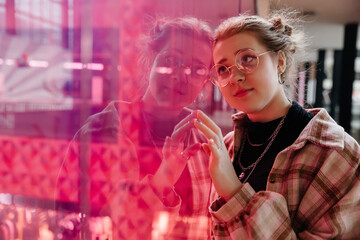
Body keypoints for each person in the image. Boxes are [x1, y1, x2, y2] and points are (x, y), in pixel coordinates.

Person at [194, 12, 360, 239]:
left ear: (280, 61)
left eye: (247, 59)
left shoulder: (338, 153)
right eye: (223, 69)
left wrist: (234, 193)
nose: (234, 77)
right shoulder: (228, 146)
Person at [56, 17, 213, 239]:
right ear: (150, 62)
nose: (180, 76)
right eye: (170, 60)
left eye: (197, 69)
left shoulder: (205, 145)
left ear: (205, 82)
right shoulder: (99, 133)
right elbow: (71, 224)